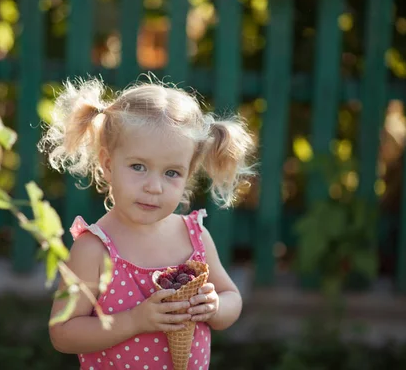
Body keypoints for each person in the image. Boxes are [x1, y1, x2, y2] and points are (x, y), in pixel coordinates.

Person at [42, 76, 257, 369]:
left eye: (171, 173)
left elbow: (231, 296)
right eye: (138, 167)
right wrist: (134, 321)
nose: (154, 186)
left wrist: (215, 307)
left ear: (188, 174)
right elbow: (63, 333)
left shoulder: (194, 236)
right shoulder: (94, 249)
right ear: (108, 164)